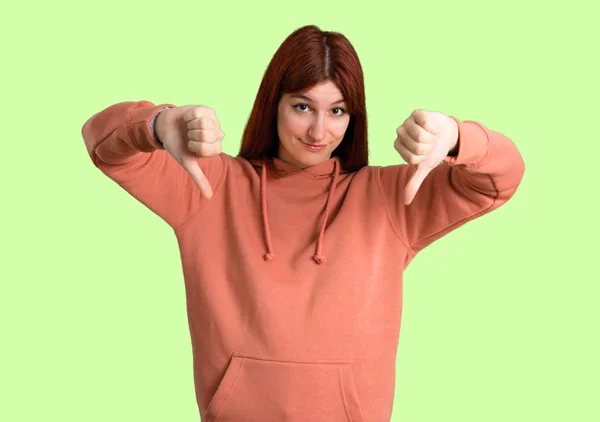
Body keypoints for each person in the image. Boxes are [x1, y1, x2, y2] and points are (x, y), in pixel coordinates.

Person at [81, 24, 525, 422]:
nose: (318, 132)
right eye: (302, 107)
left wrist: (458, 137)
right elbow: (101, 141)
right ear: (273, 104)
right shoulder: (210, 185)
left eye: (337, 111)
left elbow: (500, 179)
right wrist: (156, 125)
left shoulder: (389, 197)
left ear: (354, 118)